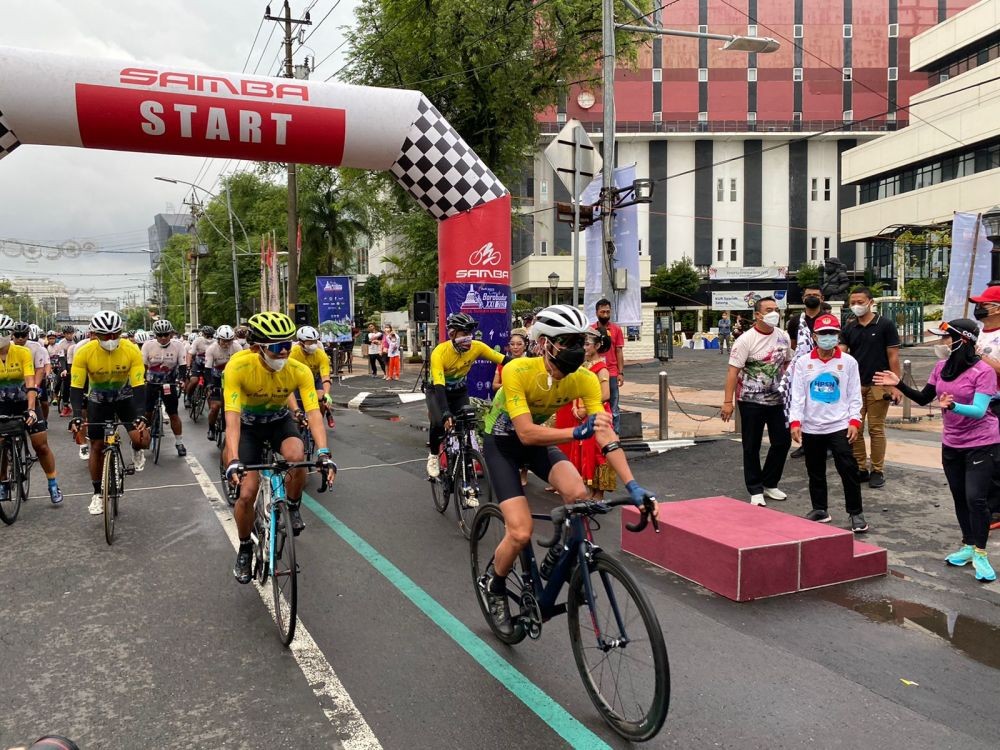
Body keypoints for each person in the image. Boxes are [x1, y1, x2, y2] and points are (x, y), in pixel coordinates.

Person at [481, 305, 657, 631]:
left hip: (539, 444)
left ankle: (559, 552)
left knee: (579, 494)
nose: (576, 347)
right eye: (566, 341)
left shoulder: (585, 379)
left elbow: (605, 434)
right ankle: (495, 583)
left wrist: (633, 486)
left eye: (580, 339)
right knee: (520, 532)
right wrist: (575, 432)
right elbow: (525, 432)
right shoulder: (518, 370)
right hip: (503, 445)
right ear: (545, 343)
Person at [874, 320, 996, 582]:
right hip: (951, 442)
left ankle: (981, 554)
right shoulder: (941, 367)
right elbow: (923, 398)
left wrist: (952, 408)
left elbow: (978, 410)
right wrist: (898, 383)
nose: (940, 344)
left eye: (944, 339)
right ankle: (967, 545)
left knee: (976, 498)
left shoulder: (983, 371)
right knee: (960, 496)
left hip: (982, 443)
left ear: (961, 340)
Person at [222, 312, 337, 583]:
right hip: (248, 427)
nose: (285, 351)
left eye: (287, 344)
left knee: (297, 457)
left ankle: (293, 506)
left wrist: (323, 453)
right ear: (256, 348)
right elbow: (232, 419)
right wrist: (234, 458)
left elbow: (314, 413)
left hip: (278, 422)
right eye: (276, 347)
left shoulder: (299, 370)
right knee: (247, 493)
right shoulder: (238, 367)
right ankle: (245, 547)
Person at [788, 314, 867, 532]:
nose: (827, 337)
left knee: (848, 469)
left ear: (838, 335)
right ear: (814, 336)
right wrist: (795, 422)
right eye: (823, 334)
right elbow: (798, 395)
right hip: (812, 426)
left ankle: (856, 513)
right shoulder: (804, 362)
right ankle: (820, 509)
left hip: (839, 425)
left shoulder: (848, 362)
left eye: (832, 333)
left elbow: (854, 395)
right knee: (815, 469)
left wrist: (854, 420)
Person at [68, 311, 150, 515]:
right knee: (96, 445)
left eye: (115, 334)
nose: (111, 339)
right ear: (95, 334)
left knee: (142, 439)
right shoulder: (84, 352)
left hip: (125, 398)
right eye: (105, 336)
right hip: (98, 401)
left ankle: (136, 448)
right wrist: (77, 414)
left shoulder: (131, 350)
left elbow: (139, 384)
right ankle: (97, 493)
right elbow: (76, 387)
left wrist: (141, 413)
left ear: (121, 332)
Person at [721, 296, 793, 506]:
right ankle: (755, 488)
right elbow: (733, 372)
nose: (774, 313)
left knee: (782, 442)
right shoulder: (746, 339)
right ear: (758, 315)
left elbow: (788, 362)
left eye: (776, 309)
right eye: (769, 309)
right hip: (750, 400)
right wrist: (728, 402)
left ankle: (770, 483)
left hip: (778, 400)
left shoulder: (783, 336)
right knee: (751, 445)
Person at [426, 312, 505, 479]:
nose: (469, 338)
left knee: (468, 424)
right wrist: (446, 412)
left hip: (459, 391)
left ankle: (466, 459)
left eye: (470, 333)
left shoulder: (477, 347)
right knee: (439, 423)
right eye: (464, 333)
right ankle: (433, 456)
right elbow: (439, 385)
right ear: (452, 334)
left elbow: (504, 360)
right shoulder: (440, 352)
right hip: (438, 391)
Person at [841, 287, 901, 489]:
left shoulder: (885, 324)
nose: (856, 305)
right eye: (853, 302)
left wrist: (895, 385)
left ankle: (877, 470)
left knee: (876, 429)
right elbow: (841, 354)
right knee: (854, 427)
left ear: (870, 302)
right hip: (855, 386)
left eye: (860, 301)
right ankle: (860, 467)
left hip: (879, 384)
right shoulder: (849, 327)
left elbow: (893, 356)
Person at [1, 318, 62, 504]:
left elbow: (30, 381)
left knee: (40, 445)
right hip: (3, 403)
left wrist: (31, 409)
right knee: (1, 443)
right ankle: (3, 483)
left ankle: (52, 483)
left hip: (26, 399)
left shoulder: (23, 352)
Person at [554, 330, 616, 499]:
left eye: (588, 344)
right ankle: (589, 490)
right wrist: (575, 406)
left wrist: (584, 409)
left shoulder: (601, 368)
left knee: (597, 453)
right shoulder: (583, 366)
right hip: (583, 414)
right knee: (584, 453)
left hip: (595, 413)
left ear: (597, 346)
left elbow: (605, 395)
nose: (585, 347)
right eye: (584, 344)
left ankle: (599, 492)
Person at [784, 285, 826, 458]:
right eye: (809, 295)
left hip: (823, 367)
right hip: (802, 369)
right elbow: (793, 345)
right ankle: (805, 444)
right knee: (802, 404)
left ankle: (826, 445)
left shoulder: (827, 319)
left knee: (822, 404)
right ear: (803, 298)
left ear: (822, 298)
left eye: (815, 295)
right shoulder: (795, 321)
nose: (812, 297)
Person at [141, 319, 188, 457]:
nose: (163, 338)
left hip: (169, 383)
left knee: (173, 414)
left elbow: (183, 365)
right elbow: (142, 365)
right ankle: (143, 436)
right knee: (147, 413)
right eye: (159, 335)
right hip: (151, 383)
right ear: (155, 335)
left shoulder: (178, 346)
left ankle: (179, 443)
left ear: (171, 334)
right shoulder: (147, 346)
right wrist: (141, 379)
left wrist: (182, 380)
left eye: (166, 334)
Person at [289, 325, 335, 428]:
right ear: (301, 342)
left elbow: (325, 377)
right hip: (298, 380)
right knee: (296, 406)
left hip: (315, 378)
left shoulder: (321, 354)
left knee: (321, 399)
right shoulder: (293, 353)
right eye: (310, 342)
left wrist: (327, 394)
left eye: (315, 341)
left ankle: (318, 422)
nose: (313, 345)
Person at [591, 298, 626, 433]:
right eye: (602, 312)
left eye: (607, 312)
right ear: (597, 313)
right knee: (595, 403)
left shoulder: (616, 330)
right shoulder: (591, 330)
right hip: (594, 371)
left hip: (611, 372)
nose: (605, 314)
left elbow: (619, 351)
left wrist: (620, 372)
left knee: (613, 406)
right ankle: (596, 434)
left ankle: (615, 435)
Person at [204, 324, 244, 440]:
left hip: (232, 378)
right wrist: (209, 384)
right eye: (224, 341)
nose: (226, 344)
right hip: (216, 378)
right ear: (218, 339)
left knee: (239, 408)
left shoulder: (237, 347)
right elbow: (207, 368)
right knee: (215, 407)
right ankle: (211, 428)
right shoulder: (212, 349)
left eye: (229, 341)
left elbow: (242, 366)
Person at [492, 329, 528, 394]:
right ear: (509, 346)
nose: (515, 347)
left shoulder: (530, 363)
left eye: (519, 344)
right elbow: (494, 386)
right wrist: (509, 385)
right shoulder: (502, 362)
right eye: (512, 344)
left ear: (525, 346)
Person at [185, 325, 214, 403]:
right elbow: (190, 354)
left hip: (209, 365)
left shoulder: (215, 342)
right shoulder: (198, 341)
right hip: (198, 364)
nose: (209, 338)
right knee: (194, 381)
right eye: (207, 336)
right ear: (203, 334)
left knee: (210, 384)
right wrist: (188, 366)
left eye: (211, 336)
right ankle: (188, 397)